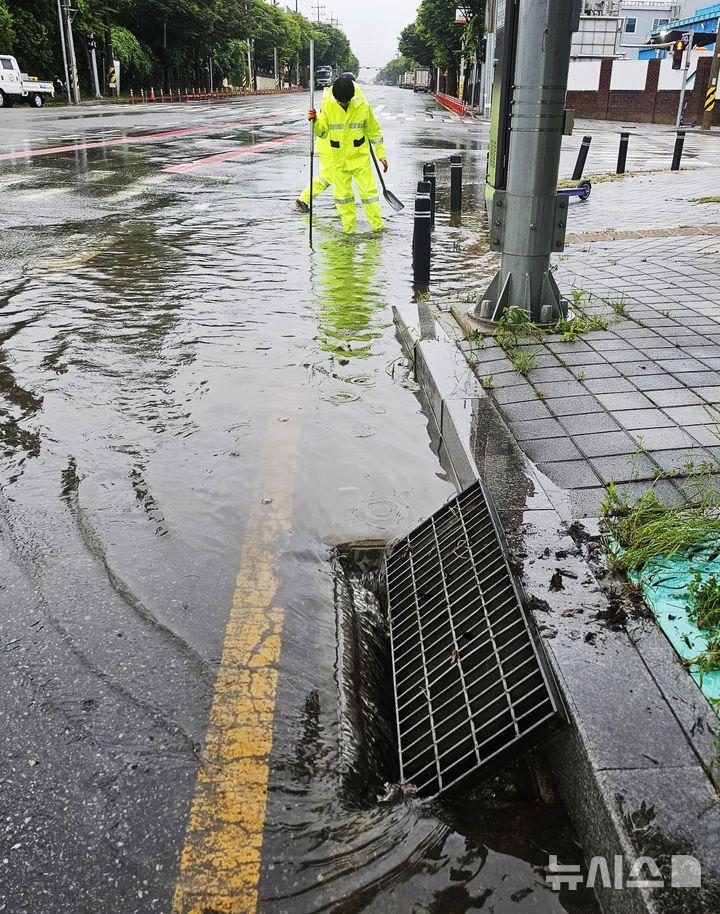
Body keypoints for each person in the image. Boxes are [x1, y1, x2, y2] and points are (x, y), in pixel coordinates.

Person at [307, 75, 388, 234]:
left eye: (346, 101)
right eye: (341, 102)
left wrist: (381, 154)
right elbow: (323, 132)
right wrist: (315, 121)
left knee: (369, 195)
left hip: (360, 159)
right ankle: (348, 230)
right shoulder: (329, 104)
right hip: (338, 160)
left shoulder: (362, 105)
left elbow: (374, 132)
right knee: (343, 198)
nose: (344, 104)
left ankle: (377, 229)